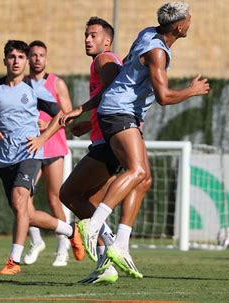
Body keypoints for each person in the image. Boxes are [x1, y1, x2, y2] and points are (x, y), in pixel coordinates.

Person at [60, 1, 210, 278]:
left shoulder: (148, 33)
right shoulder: (157, 52)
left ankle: (120, 245)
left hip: (118, 114)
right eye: (189, 19)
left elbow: (124, 78)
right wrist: (192, 90)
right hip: (120, 113)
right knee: (138, 171)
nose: (190, 22)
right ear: (179, 27)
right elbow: (164, 97)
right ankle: (94, 225)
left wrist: (87, 117)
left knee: (144, 178)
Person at [0, 40, 82, 275]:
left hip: (29, 153)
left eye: (20, 57)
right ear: (5, 60)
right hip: (4, 158)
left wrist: (42, 139)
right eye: (12, 57)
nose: (16, 61)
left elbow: (61, 115)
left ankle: (14, 260)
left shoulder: (35, 89)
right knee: (24, 212)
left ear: (25, 62)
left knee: (20, 200)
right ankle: (71, 231)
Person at [59, 16, 152, 283]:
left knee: (69, 194)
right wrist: (90, 123)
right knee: (91, 198)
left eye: (93, 35)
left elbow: (112, 90)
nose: (87, 39)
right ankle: (107, 264)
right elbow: (112, 98)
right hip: (109, 136)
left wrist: (81, 109)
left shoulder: (105, 59)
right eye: (86, 35)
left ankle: (111, 242)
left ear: (107, 40)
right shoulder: (103, 61)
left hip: (109, 141)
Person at [24, 40, 78, 267]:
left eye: (41, 55)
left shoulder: (56, 84)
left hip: (53, 146)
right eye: (33, 55)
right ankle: (36, 241)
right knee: (23, 197)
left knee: (55, 200)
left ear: (46, 58)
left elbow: (69, 115)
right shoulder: (21, 83)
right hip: (29, 147)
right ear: (28, 58)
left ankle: (62, 250)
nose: (37, 59)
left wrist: (47, 125)